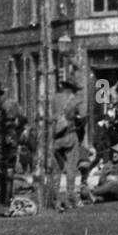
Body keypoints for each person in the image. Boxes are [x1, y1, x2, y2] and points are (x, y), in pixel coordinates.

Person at [52, 78, 86, 208]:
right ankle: (71, 196)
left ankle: (55, 198)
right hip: (70, 135)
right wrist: (79, 129)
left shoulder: (54, 99)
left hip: (56, 138)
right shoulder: (76, 100)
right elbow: (83, 117)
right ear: (73, 89)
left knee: (57, 170)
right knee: (71, 168)